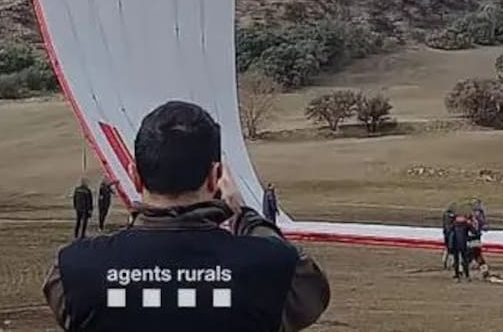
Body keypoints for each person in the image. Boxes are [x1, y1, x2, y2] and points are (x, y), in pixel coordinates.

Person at [43, 100, 330, 331]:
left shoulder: (74, 270)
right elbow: (305, 286)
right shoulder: (273, 269)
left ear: (136, 176)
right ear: (215, 177)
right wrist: (244, 214)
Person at [448, 214, 473, 281]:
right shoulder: (466, 225)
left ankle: (457, 275)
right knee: (464, 260)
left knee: (457, 260)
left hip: (455, 244)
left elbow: (450, 234)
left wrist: (450, 246)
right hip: (463, 244)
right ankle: (467, 275)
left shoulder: (454, 225)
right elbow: (473, 231)